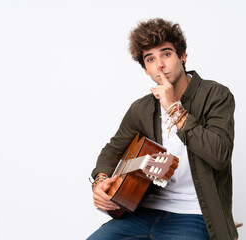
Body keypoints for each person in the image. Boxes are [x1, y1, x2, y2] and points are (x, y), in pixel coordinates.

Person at [88, 18, 238, 240]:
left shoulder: (216, 95)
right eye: (150, 59)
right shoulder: (141, 108)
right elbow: (112, 150)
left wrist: (173, 108)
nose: (159, 65)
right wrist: (100, 182)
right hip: (144, 211)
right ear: (145, 68)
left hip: (194, 214)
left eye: (166, 54)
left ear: (182, 55)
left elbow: (220, 155)